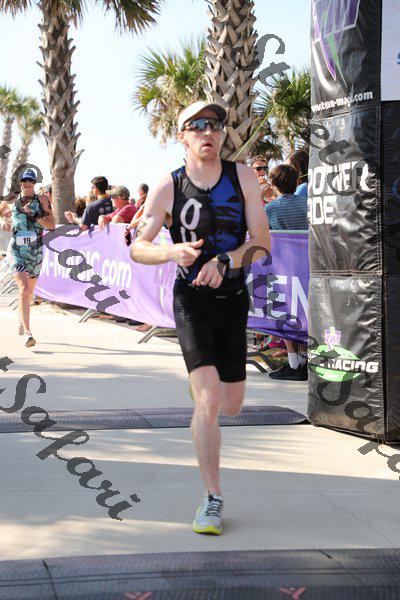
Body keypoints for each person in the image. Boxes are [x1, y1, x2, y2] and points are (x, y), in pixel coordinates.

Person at [130, 100, 269, 535]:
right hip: (190, 300)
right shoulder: (168, 186)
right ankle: (212, 498)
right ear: (182, 135)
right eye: (197, 125)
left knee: (232, 404)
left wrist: (226, 260)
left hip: (233, 299)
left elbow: (262, 243)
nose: (208, 132)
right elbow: (138, 248)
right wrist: (172, 251)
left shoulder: (243, 177)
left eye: (215, 125)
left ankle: (205, 386)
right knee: (208, 400)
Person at [265, 164, 308, 381]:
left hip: (282, 267)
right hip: (305, 265)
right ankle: (304, 361)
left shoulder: (271, 208)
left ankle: (293, 363)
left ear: (273, 184)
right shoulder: (307, 203)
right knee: (302, 313)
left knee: (285, 313)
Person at [5, 168, 55, 347]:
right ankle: (28, 333)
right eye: (24, 181)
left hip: (35, 252)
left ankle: (21, 317)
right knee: (24, 288)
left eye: (31, 181)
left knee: (29, 291)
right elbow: (3, 215)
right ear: (20, 183)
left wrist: (34, 214)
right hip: (16, 250)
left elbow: (52, 225)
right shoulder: (11, 200)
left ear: (35, 183)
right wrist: (5, 222)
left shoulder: (42, 200)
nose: (27, 184)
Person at [265, 164, 308, 231]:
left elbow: (258, 230)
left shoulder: (269, 208)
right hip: (305, 238)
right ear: (296, 182)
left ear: (273, 183)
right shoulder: (307, 203)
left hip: (279, 238)